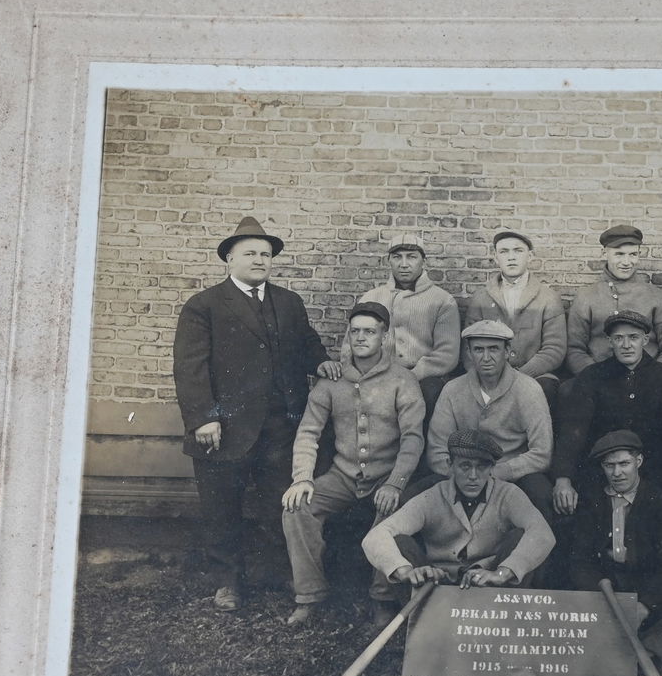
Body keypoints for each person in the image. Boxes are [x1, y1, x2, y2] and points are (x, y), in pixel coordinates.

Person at [172, 214, 340, 612]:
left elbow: (307, 344)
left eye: (266, 254)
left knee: (276, 505)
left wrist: (321, 363)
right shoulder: (204, 306)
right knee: (222, 508)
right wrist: (204, 418)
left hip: (280, 427)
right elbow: (190, 367)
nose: (260, 260)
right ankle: (227, 582)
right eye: (250, 253)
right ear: (229, 260)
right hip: (224, 428)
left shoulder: (288, 302)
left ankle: (274, 573)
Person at [280, 301, 426, 629]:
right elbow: (308, 432)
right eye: (355, 331)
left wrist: (395, 483)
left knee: (392, 512)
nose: (361, 338)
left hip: (386, 477)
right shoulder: (332, 380)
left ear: (384, 338)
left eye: (370, 332)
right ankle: (309, 596)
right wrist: (302, 477)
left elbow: (413, 439)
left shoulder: (403, 380)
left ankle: (382, 599)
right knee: (298, 507)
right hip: (343, 475)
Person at [566, 431, 662, 671]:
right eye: (609, 466)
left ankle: (647, 652)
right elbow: (579, 561)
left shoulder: (659, 502)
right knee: (561, 607)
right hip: (607, 596)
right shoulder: (592, 501)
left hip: (650, 596)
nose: (617, 473)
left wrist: (645, 605)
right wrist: (602, 598)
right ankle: (640, 646)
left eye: (624, 464)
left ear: (638, 462)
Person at [551, 312, 662, 516]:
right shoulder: (592, 377)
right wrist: (563, 479)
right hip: (605, 470)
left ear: (645, 340)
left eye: (633, 337)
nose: (626, 345)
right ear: (610, 342)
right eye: (619, 338)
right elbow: (573, 432)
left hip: (654, 470)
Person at [363, 428, 557, 593]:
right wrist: (405, 570)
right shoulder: (433, 496)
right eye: (465, 466)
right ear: (450, 465)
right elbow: (377, 535)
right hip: (438, 586)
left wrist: (501, 573)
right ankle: (418, 622)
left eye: (481, 467)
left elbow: (543, 533)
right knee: (400, 541)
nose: (473, 476)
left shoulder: (509, 494)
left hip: (488, 585)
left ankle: (503, 622)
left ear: (492, 467)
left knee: (520, 535)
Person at [426, 320, 555, 517]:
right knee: (415, 498)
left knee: (542, 496)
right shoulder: (452, 390)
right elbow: (437, 450)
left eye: (494, 349)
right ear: (469, 353)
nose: (486, 357)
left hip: (513, 474)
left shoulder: (528, 389)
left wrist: (495, 473)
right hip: (461, 475)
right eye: (478, 350)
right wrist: (462, 475)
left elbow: (542, 453)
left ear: (507, 351)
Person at [349, 232, 461, 416]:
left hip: (422, 378)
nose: (403, 264)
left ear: (423, 261)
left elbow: (446, 355)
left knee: (429, 394)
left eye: (411, 257)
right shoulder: (371, 297)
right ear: (389, 261)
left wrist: (411, 376)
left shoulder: (442, 300)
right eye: (396, 257)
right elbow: (351, 344)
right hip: (375, 375)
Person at [462, 229, 568, 404]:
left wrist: (521, 375)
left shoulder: (548, 297)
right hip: (487, 375)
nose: (511, 257)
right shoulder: (481, 297)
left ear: (530, 256)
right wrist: (485, 375)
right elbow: (468, 346)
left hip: (534, 374)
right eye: (504, 252)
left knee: (545, 390)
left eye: (518, 251)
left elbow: (554, 349)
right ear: (496, 258)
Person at [564, 224, 662, 375]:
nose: (627, 262)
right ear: (605, 253)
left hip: (647, 378)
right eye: (619, 254)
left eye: (633, 254)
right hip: (599, 378)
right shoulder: (586, 296)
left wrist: (653, 376)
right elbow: (574, 349)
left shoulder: (656, 296)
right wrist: (594, 376)